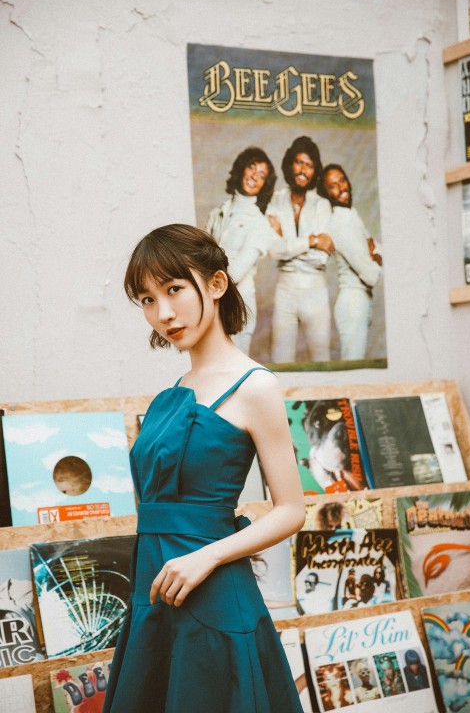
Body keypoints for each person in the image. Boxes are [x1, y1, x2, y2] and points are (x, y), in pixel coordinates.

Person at [103, 224, 306, 712]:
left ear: (215, 285)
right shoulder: (171, 393)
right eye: (148, 299)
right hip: (155, 593)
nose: (163, 313)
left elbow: (291, 510)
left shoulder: (255, 387)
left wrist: (207, 557)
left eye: (174, 289)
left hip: (212, 593)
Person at [267, 136, 334, 363]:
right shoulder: (274, 201)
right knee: (280, 361)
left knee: (321, 359)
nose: (303, 169)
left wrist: (288, 247)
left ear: (315, 171)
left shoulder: (322, 205)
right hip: (284, 290)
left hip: (315, 291)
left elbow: (321, 259)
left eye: (309, 164)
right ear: (289, 165)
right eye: (298, 162)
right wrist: (313, 240)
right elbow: (273, 250)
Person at [206, 147, 277, 354]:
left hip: (238, 307)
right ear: (242, 169)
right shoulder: (218, 212)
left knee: (234, 376)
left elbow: (235, 273)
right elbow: (196, 256)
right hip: (212, 305)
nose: (254, 176)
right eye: (252, 167)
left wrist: (205, 275)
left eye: (262, 175)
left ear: (265, 185)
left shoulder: (260, 223)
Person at [319, 164, 382, 361]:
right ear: (327, 193)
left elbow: (378, 249)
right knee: (354, 369)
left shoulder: (352, 215)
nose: (341, 187)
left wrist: (376, 255)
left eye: (342, 181)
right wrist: (376, 260)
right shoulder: (340, 222)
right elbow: (371, 275)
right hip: (353, 303)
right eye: (333, 186)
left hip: (361, 300)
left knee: (357, 366)